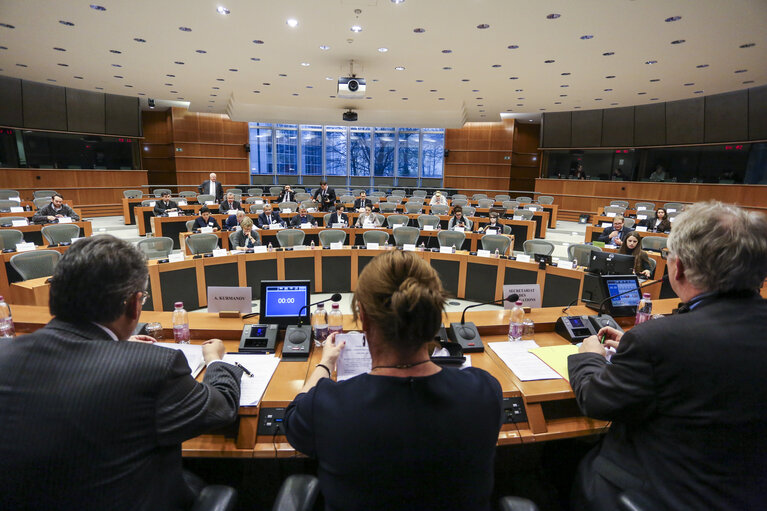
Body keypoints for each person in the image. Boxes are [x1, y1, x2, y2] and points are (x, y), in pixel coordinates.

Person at [0, 235, 243, 511]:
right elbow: (220, 408)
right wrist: (215, 361)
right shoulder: (152, 367)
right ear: (134, 303)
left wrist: (112, 346)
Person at [568, 201, 767, 511]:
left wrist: (589, 356)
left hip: (661, 494)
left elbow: (596, 401)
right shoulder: (658, 341)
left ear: (679, 268)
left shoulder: (657, 340)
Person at [284, 251, 504, 511]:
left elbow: (294, 415)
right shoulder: (485, 391)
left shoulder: (327, 405)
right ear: (434, 319)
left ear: (363, 318)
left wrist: (325, 363)